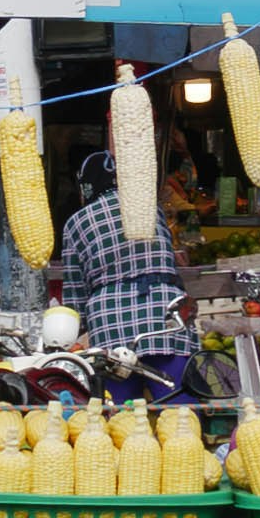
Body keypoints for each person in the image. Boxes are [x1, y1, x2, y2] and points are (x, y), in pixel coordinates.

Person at [51, 145, 190, 381]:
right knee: (176, 404)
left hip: (110, 322)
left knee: (120, 409)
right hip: (163, 313)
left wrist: (75, 336)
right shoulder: (150, 210)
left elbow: (75, 293)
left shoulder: (76, 222)